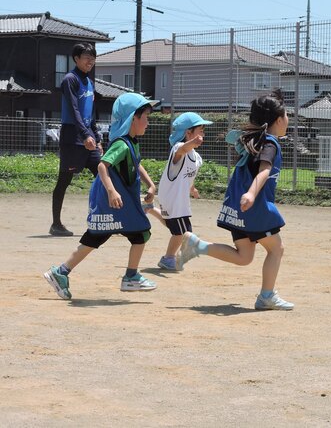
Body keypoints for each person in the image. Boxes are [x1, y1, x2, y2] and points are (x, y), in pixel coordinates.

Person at [176, 89, 294, 310]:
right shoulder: (269, 143)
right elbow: (264, 171)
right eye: (287, 116)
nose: (288, 120)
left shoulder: (254, 140)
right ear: (278, 120)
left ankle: (198, 246)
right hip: (255, 208)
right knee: (276, 249)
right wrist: (251, 193)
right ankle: (266, 296)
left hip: (237, 207)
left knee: (244, 256)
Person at [43, 93, 159, 299]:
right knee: (132, 234)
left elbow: (136, 163)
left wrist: (151, 184)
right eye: (146, 117)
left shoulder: (131, 143)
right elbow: (102, 166)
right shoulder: (121, 144)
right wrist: (112, 191)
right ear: (133, 117)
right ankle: (129, 277)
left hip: (120, 203)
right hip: (111, 202)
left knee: (111, 236)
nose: (148, 122)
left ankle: (62, 272)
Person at [147, 112, 212, 271]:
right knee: (183, 233)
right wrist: (191, 142)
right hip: (172, 197)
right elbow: (182, 149)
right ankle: (168, 258)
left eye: (203, 131)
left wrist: (192, 188)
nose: (202, 134)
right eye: (200, 130)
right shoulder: (178, 148)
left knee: (173, 226)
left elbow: (190, 175)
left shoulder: (197, 157)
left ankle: (149, 209)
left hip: (178, 198)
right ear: (188, 133)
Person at [50, 43, 103, 236]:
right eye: (86, 57)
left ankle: (106, 219)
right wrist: (85, 134)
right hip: (73, 136)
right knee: (64, 180)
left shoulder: (90, 82)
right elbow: (74, 110)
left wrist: (96, 137)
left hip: (87, 136)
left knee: (104, 175)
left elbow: (91, 114)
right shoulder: (69, 80)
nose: (90, 61)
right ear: (76, 59)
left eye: (93, 57)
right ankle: (56, 224)